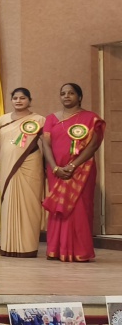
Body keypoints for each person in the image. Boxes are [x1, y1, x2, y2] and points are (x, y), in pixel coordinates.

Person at [41, 82, 105, 263]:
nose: (66, 96)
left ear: (80, 97)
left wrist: (73, 165)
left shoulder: (91, 118)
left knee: (80, 209)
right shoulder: (51, 119)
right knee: (58, 209)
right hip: (56, 171)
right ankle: (56, 249)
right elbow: (46, 145)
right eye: (63, 93)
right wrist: (55, 168)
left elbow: (93, 145)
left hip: (82, 170)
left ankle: (80, 251)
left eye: (71, 93)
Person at [0, 88, 45, 258]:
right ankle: (8, 244)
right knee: (8, 204)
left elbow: (47, 144)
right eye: (15, 98)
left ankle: (28, 246)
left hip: (31, 167)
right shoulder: (3, 119)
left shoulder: (39, 120)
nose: (19, 101)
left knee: (30, 204)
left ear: (29, 100)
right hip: (7, 167)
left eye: (23, 98)